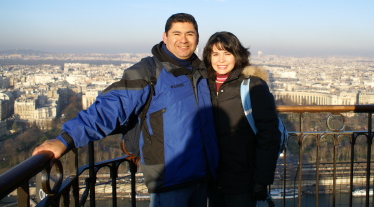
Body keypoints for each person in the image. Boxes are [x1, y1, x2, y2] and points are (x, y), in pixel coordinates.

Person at [32, 13, 219, 207]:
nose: (183, 39)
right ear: (165, 37)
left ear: (197, 37)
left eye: (189, 33)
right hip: (170, 179)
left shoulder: (202, 71)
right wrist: (67, 139)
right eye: (177, 33)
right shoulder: (148, 71)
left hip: (203, 176)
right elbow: (111, 107)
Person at [202, 31, 281, 207]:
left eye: (227, 53)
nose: (221, 59)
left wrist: (261, 180)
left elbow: (269, 135)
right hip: (212, 178)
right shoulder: (203, 85)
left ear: (237, 55)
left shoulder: (253, 85)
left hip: (242, 179)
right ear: (209, 56)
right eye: (215, 54)